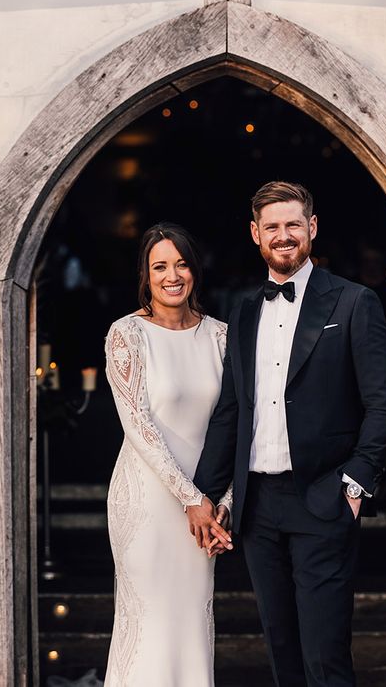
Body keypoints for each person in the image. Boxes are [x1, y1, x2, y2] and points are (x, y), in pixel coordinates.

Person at [188, 181, 386, 686]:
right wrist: (204, 493)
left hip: (323, 498)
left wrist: (354, 485)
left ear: (311, 227)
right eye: (272, 227)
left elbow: (384, 405)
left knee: (325, 656)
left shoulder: (354, 303)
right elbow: (231, 409)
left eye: (292, 225)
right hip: (258, 506)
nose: (283, 236)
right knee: (281, 649)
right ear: (255, 234)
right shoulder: (242, 311)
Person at [103, 223, 233, 686]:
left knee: (191, 626)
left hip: (206, 507)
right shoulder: (126, 335)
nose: (172, 275)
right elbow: (137, 424)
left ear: (194, 270)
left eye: (180, 264)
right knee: (149, 625)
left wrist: (222, 504)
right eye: (160, 266)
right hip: (147, 504)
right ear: (146, 274)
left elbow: (237, 423)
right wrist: (190, 499)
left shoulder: (220, 337)